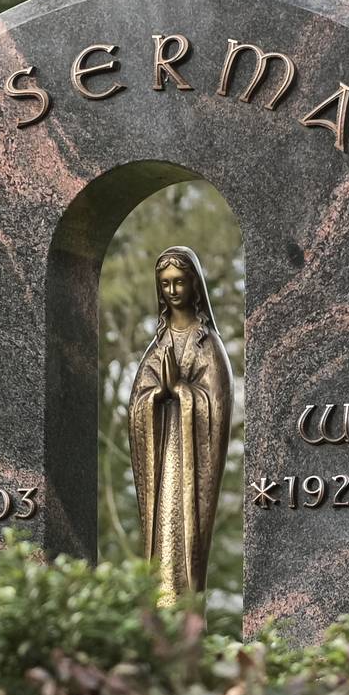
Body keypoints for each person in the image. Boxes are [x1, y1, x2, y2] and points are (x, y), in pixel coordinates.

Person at [126, 246, 233, 607]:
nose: (172, 291)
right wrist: (157, 394)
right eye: (165, 284)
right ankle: (160, 603)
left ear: (194, 285)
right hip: (162, 456)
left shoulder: (208, 344)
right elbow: (138, 401)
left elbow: (215, 402)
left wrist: (184, 393)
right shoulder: (158, 345)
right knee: (160, 539)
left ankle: (185, 607)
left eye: (179, 282)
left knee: (185, 540)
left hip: (190, 456)